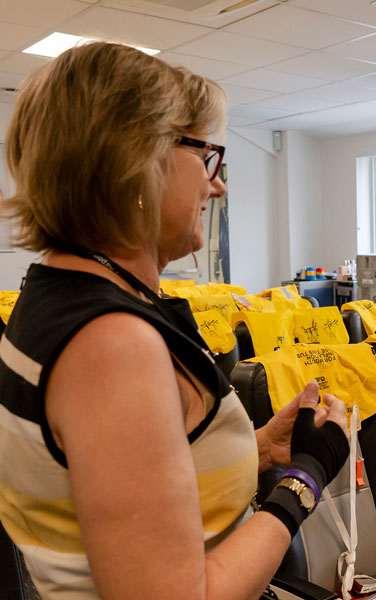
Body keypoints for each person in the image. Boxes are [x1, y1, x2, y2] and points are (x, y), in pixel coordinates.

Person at [0, 42, 350, 599]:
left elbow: (130, 483)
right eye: (205, 155)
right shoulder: (111, 344)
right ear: (136, 161)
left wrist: (261, 448)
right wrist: (304, 480)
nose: (218, 184)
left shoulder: (65, 298)